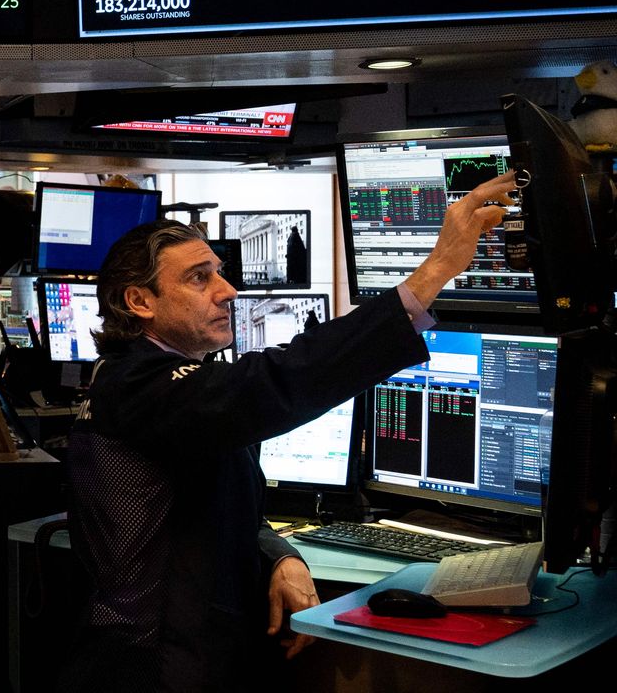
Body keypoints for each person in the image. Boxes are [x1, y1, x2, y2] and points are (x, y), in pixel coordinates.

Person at [60, 172, 516, 693]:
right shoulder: (137, 384)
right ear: (140, 302)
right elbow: (271, 383)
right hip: (152, 667)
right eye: (198, 278)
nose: (228, 291)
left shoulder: (171, 388)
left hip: (195, 646)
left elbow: (213, 511)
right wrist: (432, 273)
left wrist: (282, 556)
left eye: (221, 273)